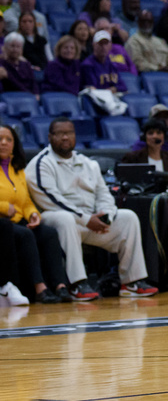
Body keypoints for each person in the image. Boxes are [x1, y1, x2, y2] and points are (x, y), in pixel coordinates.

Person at [27, 118, 158, 300]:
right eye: (60, 133)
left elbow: (104, 194)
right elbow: (51, 200)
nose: (65, 137)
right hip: (55, 221)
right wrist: (86, 219)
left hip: (91, 221)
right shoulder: (40, 163)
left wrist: (106, 216)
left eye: (70, 133)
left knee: (128, 217)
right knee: (64, 218)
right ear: (50, 137)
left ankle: (131, 282)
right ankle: (76, 284)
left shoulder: (89, 163)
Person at [0, 124, 72, 304]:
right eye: (0, 139)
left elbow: (25, 201)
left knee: (48, 233)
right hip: (2, 224)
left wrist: (33, 213)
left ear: (14, 144)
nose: (4, 143)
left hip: (17, 221)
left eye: (9, 139)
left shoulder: (17, 169)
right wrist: (2, 206)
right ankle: (39, 288)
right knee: (25, 235)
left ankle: (60, 285)